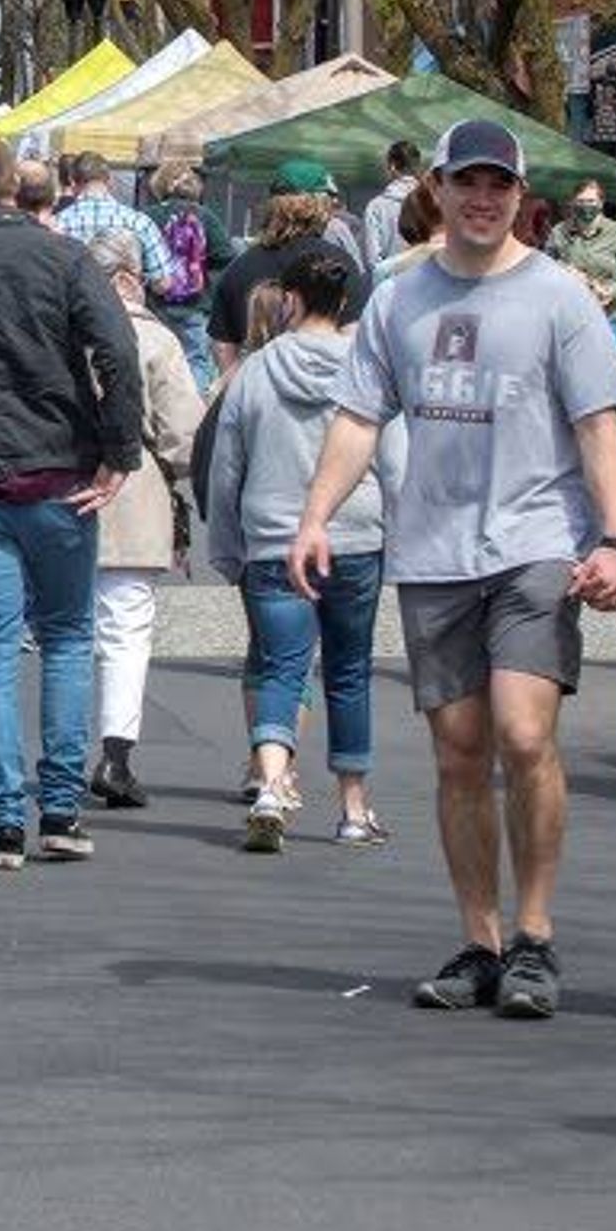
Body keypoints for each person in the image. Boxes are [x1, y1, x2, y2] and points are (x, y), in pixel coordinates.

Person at [293, 118, 616, 1018]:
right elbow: (360, 419)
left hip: (535, 543)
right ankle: (480, 940)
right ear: (437, 191)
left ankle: (535, 935)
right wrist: (315, 518)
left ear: (521, 198)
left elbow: (601, 421)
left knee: (525, 735)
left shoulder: (561, 297)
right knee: (458, 754)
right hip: (435, 550)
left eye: (500, 187)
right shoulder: (397, 302)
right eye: (467, 184)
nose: (483, 201)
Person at [0, 142, 141, 866]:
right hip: (56, 462)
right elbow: (117, 351)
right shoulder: (66, 259)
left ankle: (4, 817)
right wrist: (119, 448)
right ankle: (62, 807)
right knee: (69, 636)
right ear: (15, 184)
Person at [199, 246, 396, 850]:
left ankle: (270, 781)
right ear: (344, 304)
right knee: (349, 670)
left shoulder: (255, 372)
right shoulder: (366, 368)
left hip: (274, 535)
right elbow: (395, 459)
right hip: (356, 533)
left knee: (281, 665)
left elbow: (226, 468)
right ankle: (354, 810)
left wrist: (227, 545)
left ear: (290, 298)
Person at [83, 232, 204, 814]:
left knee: (63, 633)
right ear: (129, 277)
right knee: (125, 631)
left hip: (60, 488)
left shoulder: (59, 334)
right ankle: (116, 755)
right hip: (134, 493)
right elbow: (184, 436)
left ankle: (60, 753)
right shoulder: (157, 340)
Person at [209, 175, 337, 379]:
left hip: (256, 387)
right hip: (326, 393)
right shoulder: (339, 263)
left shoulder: (240, 266)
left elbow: (223, 344)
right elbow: (353, 333)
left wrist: (235, 390)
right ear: (319, 208)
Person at [141, 160, 228, 388]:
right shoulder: (206, 216)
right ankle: (195, 414)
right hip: (196, 304)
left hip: (156, 303)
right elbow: (226, 255)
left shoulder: (147, 216)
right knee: (197, 360)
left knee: (159, 359)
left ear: (159, 185)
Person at [548, 183, 616, 337]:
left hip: (610, 314)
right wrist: (564, 269)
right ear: (572, 203)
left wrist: (612, 291)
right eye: (581, 201)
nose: (586, 206)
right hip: (572, 314)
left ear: (601, 203)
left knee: (606, 359)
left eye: (591, 201)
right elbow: (546, 269)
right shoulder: (559, 232)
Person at [51, 152, 162, 274]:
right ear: (110, 180)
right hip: (123, 291)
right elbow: (164, 282)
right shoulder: (139, 222)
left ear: (72, 182)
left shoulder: (57, 224)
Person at [361, 140, 423, 271]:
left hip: (392, 286)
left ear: (392, 167)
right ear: (418, 166)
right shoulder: (434, 201)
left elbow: (373, 259)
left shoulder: (376, 207)